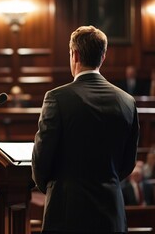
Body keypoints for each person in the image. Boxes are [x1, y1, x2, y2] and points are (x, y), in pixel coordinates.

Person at [32, 26, 139, 233]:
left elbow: (41, 160)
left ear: (75, 54)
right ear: (103, 56)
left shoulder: (57, 98)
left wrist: (55, 189)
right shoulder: (127, 101)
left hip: (66, 213)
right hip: (111, 212)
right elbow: (128, 163)